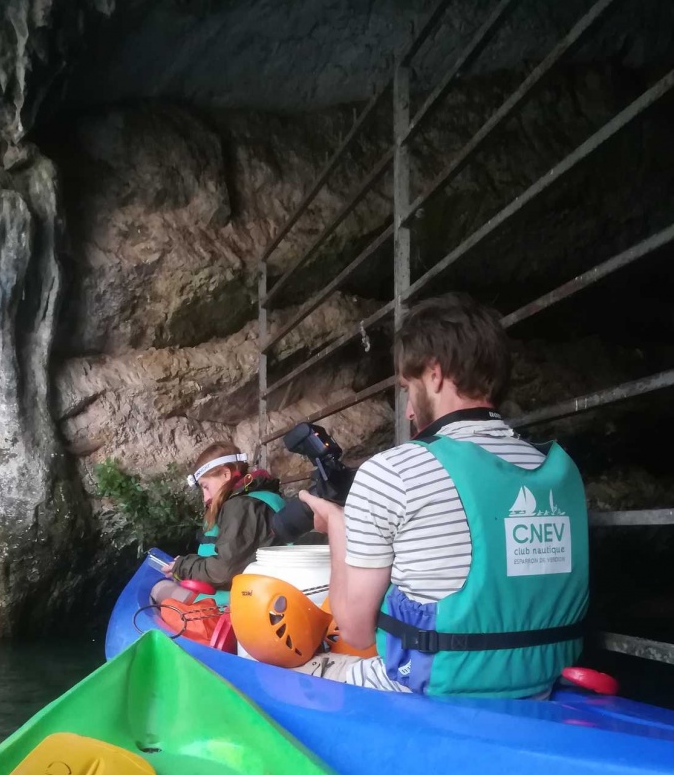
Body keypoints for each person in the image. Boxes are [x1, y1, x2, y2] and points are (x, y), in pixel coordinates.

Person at [298, 292, 589, 698]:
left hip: (433, 694)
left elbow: (357, 632)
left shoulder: (390, 472)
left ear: (434, 374)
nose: (409, 411)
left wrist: (337, 525)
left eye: (407, 388)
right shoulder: (562, 473)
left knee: (293, 671)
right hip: (543, 688)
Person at [151, 441, 286, 608]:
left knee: (159, 589)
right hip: (270, 593)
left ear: (225, 474)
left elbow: (222, 570)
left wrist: (182, 566)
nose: (205, 498)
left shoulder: (240, 506)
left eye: (205, 487)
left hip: (250, 602)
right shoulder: (263, 498)